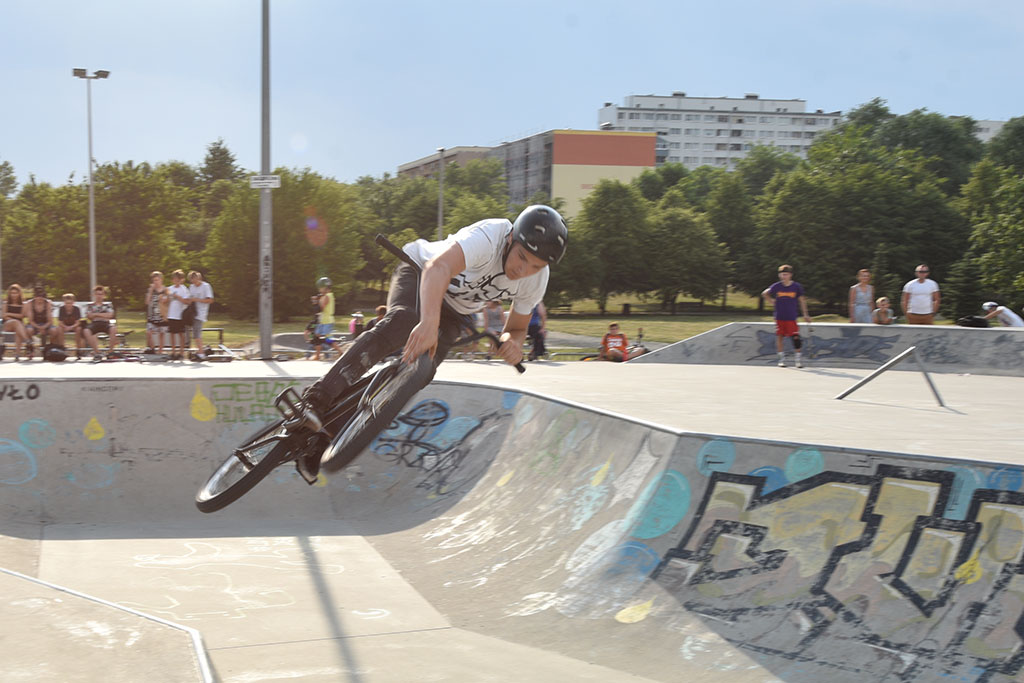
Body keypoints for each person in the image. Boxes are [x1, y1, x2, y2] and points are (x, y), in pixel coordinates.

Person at [293, 204, 568, 479]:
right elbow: (438, 268)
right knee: (402, 321)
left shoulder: (536, 279)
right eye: (521, 257)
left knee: (421, 372)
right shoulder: (489, 236)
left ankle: (326, 436)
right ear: (511, 239)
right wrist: (427, 323)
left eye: (536, 265)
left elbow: (517, 328)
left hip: (455, 312)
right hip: (420, 272)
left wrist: (512, 344)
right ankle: (317, 398)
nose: (524, 270)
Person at [762, 264, 812, 368]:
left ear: (790, 275)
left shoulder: (796, 287)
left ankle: (798, 359)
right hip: (780, 316)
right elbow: (765, 293)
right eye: (782, 275)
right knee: (780, 336)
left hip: (791, 316)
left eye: (786, 275)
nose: (784, 277)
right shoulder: (777, 286)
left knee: (795, 337)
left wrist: (805, 314)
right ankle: (781, 359)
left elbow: (802, 300)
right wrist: (771, 301)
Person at [82, 285, 118, 360]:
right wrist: (103, 315)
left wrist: (96, 314)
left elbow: (110, 315)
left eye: (101, 294)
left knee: (113, 328)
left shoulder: (108, 305)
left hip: (105, 323)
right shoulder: (90, 305)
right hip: (94, 323)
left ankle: (110, 352)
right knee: (86, 330)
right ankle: (97, 352)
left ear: (104, 295)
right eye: (97, 294)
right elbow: (89, 316)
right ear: (94, 295)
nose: (99, 296)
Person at [187, 270, 215, 360]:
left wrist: (197, 299)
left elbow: (210, 300)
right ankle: (200, 351)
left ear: (199, 278)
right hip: (192, 312)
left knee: (197, 333)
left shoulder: (206, 286)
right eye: (192, 280)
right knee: (194, 332)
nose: (193, 282)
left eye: (195, 280)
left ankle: (201, 353)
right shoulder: (191, 287)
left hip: (201, 313)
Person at [23, 285, 55, 358]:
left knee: (54, 330)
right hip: (34, 323)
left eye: (42, 298)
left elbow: (50, 320)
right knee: (29, 329)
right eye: (38, 297)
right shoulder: (30, 303)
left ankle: (49, 348)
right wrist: (39, 328)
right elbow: (30, 320)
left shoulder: (48, 303)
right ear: (34, 297)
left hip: (46, 323)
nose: (40, 299)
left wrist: (44, 327)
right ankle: (30, 348)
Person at [164, 270, 189, 360]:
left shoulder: (184, 289)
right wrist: (167, 298)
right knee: (172, 334)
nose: (176, 281)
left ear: (182, 280)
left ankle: (181, 352)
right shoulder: (169, 289)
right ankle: (173, 352)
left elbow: (187, 301)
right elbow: (164, 301)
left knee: (181, 334)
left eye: (179, 279)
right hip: (171, 314)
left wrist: (178, 297)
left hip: (180, 315)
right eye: (175, 279)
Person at [53, 293, 86, 357]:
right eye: (67, 303)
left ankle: (78, 349)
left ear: (73, 302)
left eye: (70, 303)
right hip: (64, 326)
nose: (68, 305)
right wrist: (65, 327)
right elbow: (60, 322)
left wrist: (71, 327)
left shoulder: (76, 309)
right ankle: (62, 349)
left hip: (74, 326)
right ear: (64, 302)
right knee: (59, 329)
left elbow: (78, 322)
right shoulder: (62, 309)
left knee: (79, 329)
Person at [144, 271, 169, 355]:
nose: (156, 282)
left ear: (161, 280)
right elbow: (147, 302)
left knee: (161, 334)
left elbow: (168, 301)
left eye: (157, 280)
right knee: (148, 332)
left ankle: (160, 351)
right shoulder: (151, 290)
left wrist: (164, 299)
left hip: (162, 315)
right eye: (154, 280)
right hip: (152, 315)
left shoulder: (165, 290)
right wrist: (150, 291)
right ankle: (153, 348)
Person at [310, 277, 335, 361]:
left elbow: (321, 308)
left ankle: (339, 351)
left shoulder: (326, 296)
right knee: (317, 335)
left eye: (320, 288)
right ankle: (317, 355)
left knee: (326, 338)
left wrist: (316, 302)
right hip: (325, 320)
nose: (319, 290)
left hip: (326, 320)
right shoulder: (330, 295)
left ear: (325, 287)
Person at [2, 283, 29, 359]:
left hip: (19, 326)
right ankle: (27, 340)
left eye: (15, 293)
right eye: (12, 293)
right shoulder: (6, 303)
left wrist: (9, 313)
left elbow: (22, 316)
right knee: (16, 322)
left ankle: (17, 354)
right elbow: (4, 316)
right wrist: (13, 319)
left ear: (19, 293)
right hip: (7, 324)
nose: (13, 295)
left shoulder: (23, 304)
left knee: (18, 330)